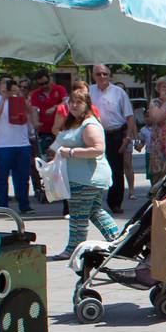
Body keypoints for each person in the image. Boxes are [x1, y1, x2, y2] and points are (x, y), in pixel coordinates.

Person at [46, 88, 119, 261]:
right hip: (83, 177)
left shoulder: (89, 124)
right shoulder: (73, 123)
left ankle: (73, 249)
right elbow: (58, 146)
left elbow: (98, 149)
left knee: (78, 215)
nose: (74, 105)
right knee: (95, 210)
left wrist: (70, 152)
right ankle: (117, 241)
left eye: (79, 102)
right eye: (71, 102)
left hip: (86, 178)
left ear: (87, 104)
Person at [89, 64, 135, 214]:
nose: (102, 77)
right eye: (98, 74)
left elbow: (129, 116)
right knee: (93, 168)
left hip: (115, 134)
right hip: (95, 134)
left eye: (105, 74)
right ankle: (93, 202)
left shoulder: (118, 92)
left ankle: (115, 203)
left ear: (109, 76)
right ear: (93, 76)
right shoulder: (89, 92)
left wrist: (127, 138)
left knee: (116, 170)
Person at [0, 77, 37, 214]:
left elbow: (30, 110)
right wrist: (4, 98)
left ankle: (24, 204)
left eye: (10, 83)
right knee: (2, 176)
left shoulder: (18, 97)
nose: (8, 86)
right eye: (5, 83)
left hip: (22, 143)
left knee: (22, 176)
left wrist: (20, 95)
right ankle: (3, 206)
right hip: (4, 144)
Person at [29, 69, 68, 192]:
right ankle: (49, 188)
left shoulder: (59, 89)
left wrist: (55, 107)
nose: (44, 86)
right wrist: (35, 122)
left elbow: (65, 102)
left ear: (49, 79)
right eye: (41, 84)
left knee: (60, 158)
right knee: (47, 159)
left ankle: (62, 186)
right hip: (44, 130)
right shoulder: (35, 94)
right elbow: (34, 109)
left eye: (45, 83)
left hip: (60, 130)